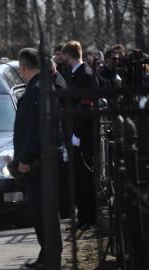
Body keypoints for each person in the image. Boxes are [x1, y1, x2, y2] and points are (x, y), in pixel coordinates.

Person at [12, 48, 62, 270]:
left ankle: (50, 255)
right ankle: (46, 253)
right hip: (40, 159)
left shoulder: (38, 89)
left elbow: (35, 129)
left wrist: (24, 158)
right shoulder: (40, 86)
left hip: (37, 162)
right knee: (43, 212)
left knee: (44, 212)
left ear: (23, 68)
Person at [62, 40, 99, 229]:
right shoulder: (77, 74)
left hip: (82, 136)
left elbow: (86, 105)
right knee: (78, 179)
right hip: (76, 134)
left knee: (85, 179)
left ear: (68, 55)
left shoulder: (84, 74)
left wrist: (76, 134)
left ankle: (89, 217)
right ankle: (84, 216)